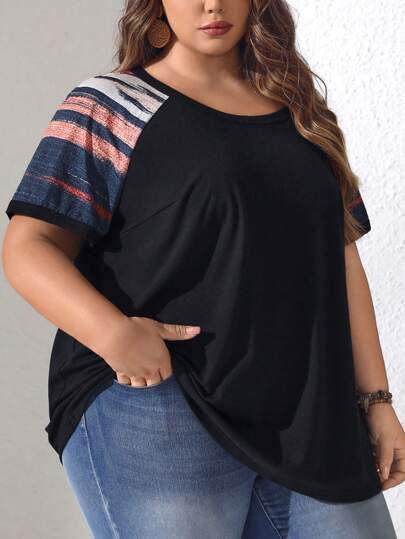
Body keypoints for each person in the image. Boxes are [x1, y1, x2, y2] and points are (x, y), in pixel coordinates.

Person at [2, 0, 404, 537]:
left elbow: (341, 256)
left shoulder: (302, 113)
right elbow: (29, 246)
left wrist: (377, 401)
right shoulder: (112, 105)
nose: (212, 4)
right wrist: (113, 334)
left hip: (310, 414)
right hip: (160, 399)